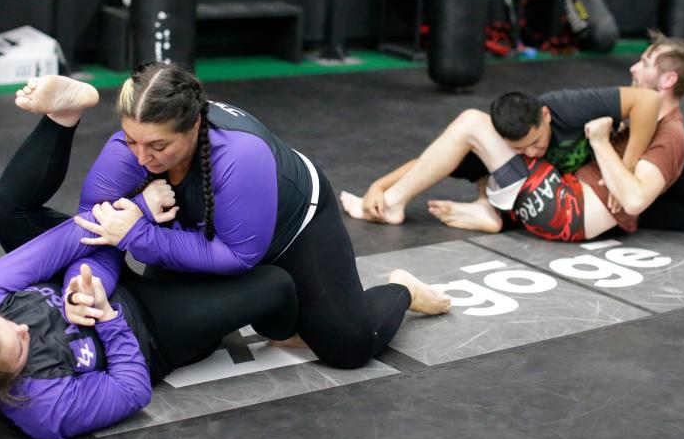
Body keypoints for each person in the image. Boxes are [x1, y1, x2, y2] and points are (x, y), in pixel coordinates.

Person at [0, 78, 300, 439]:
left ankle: (63, 117)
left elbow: (56, 244)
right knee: (275, 285)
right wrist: (106, 316)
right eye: (21, 346)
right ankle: (282, 328)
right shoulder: (45, 410)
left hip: (92, 262)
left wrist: (111, 246)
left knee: (3, 209)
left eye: (7, 323)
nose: (24, 327)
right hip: (148, 331)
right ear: (10, 384)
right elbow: (132, 388)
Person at [51, 64, 450, 369]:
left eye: (157, 145)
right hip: (206, 231)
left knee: (348, 347)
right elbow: (92, 221)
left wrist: (137, 233)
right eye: (132, 139)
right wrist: (82, 284)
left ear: (194, 124)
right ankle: (285, 319)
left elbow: (238, 256)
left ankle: (404, 289)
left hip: (290, 229)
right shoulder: (132, 147)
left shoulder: (239, 155)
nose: (141, 157)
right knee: (189, 343)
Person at [342, 31, 684, 234]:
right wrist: (382, 184)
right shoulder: (580, 117)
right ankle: (483, 210)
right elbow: (446, 157)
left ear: (667, 80)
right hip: (570, 203)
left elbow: (632, 199)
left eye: (645, 62)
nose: (633, 65)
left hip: (573, 210)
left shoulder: (661, 135)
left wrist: (606, 152)